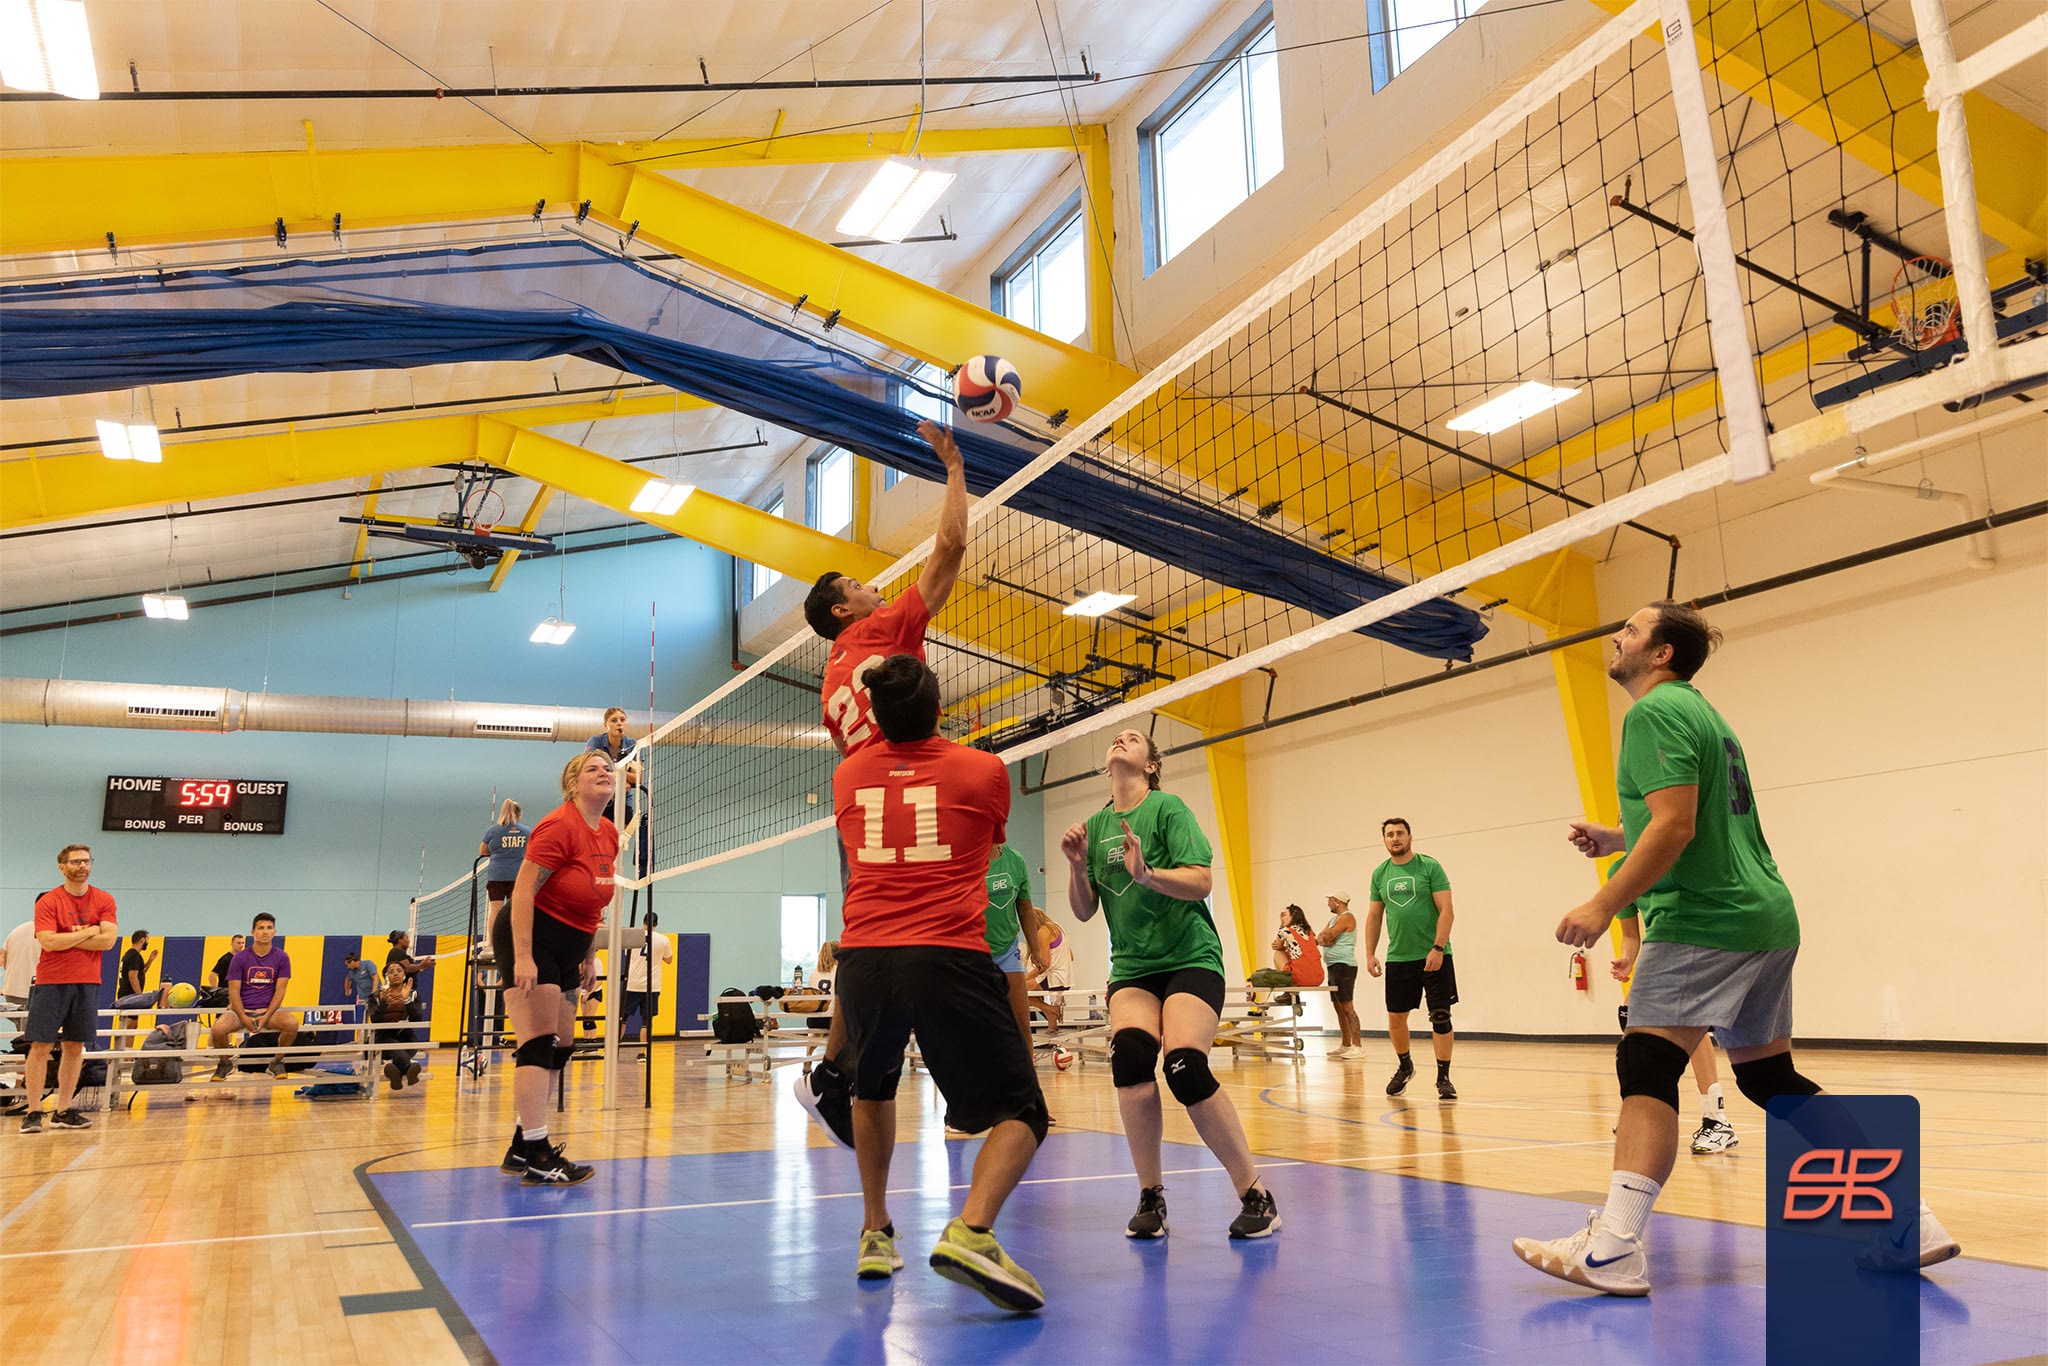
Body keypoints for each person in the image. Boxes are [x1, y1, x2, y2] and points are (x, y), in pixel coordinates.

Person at [1513, 601, 1961, 1296]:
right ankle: (1910, 1220)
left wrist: (1603, 905)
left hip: (1704, 921)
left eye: (1631, 630)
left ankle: (1613, 1246)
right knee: (1768, 1079)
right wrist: (1618, 835)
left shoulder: (1651, 714)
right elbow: (1691, 819)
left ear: (1661, 653)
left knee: (1647, 1060)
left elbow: (1678, 827)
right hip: (1764, 916)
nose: (1617, 636)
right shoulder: (1704, 715)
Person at [831, 654, 1050, 1309]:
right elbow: (985, 848)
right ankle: (973, 1230)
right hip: (947, 953)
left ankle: (875, 1231)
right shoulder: (983, 771)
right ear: (938, 710)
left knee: (872, 1089)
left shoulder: (847, 776)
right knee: (1025, 1110)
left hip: (865, 957)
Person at [794, 416, 968, 1151]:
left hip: (861, 804)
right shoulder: (872, 636)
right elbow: (951, 549)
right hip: (906, 796)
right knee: (938, 929)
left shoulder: (831, 671)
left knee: (870, 941)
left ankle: (838, 1069)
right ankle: (962, 1073)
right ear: (845, 611)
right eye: (861, 586)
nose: (874, 588)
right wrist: (955, 466)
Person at [1062, 728, 1280, 1241]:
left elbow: (1202, 880)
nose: (1120, 740)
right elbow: (1084, 909)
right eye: (1116, 738)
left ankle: (1255, 1194)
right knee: (1132, 1058)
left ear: (1150, 765)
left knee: (1184, 1067)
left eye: (1133, 739)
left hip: (1190, 958)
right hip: (1134, 968)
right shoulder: (1094, 826)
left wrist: (1148, 874)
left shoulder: (1168, 809)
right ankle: (1150, 1197)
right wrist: (1076, 867)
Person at [492, 750, 618, 1187]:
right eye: (593, 769)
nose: (605, 772)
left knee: (563, 1043)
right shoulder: (559, 825)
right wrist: (524, 956)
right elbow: (524, 891)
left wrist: (588, 956)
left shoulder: (609, 833)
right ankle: (539, 1154)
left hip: (570, 944)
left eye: (608, 768)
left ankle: (520, 1144)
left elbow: (594, 899)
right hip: (532, 936)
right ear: (573, 784)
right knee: (538, 1041)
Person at [1614, 898, 1736, 1153]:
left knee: (1688, 1019)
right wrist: (1627, 958)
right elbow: (1630, 935)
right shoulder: (1619, 872)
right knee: (1631, 1013)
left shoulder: (1667, 858)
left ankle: (1716, 1118)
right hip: (1658, 952)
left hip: (1697, 945)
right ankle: (1643, 1103)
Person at [19, 844, 117, 1132]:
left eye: (86, 861)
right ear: (62, 867)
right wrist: (90, 931)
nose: (82, 866)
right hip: (52, 982)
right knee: (41, 1046)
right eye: (75, 862)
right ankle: (34, 1111)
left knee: (75, 1047)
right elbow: (48, 941)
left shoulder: (103, 899)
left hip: (88, 982)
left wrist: (68, 937)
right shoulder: (49, 901)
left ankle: (63, 1110)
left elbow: (108, 941)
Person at [1365, 818, 1459, 1100]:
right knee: (1396, 1018)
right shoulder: (1379, 874)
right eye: (1390, 834)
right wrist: (1370, 954)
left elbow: (1447, 911)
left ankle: (1444, 1078)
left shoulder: (1430, 867)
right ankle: (1405, 1067)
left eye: (1400, 833)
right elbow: (1373, 916)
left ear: (1410, 837)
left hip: (1434, 956)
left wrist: (1438, 948)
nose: (1395, 838)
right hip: (1399, 958)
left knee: (1440, 1016)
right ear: (1384, 840)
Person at [210, 912, 298, 1079]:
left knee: (292, 1024)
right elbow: (233, 991)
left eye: (269, 928)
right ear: (253, 932)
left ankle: (277, 1062)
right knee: (218, 1029)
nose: (265, 932)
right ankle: (225, 1063)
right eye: (261, 928)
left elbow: (280, 991)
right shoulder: (240, 958)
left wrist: (266, 1016)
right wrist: (243, 1017)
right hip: (241, 1010)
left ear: (275, 931)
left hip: (268, 1011)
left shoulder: (282, 957)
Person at [985, 843, 1054, 1049]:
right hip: (974, 951)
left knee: (1022, 1022)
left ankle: (1027, 1077)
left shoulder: (1015, 860)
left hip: (1007, 950)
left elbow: (1024, 907)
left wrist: (1035, 948)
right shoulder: (966, 858)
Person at [1318, 894, 1363, 1059]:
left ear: (1337, 902)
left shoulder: (1347, 917)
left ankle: (1358, 1046)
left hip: (1344, 966)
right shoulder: (1332, 921)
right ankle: (1345, 1044)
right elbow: (1320, 938)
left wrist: (1327, 938)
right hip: (1332, 966)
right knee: (1338, 1007)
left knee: (1347, 1007)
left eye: (1330, 900)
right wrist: (1325, 938)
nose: (1328, 903)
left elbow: (1327, 937)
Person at [623, 910, 672, 1059]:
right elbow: (669, 960)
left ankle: (611, 1050)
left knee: (622, 1018)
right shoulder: (663, 940)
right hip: (652, 986)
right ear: (656, 924)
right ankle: (642, 1054)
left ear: (643, 922)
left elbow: (627, 955)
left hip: (632, 983)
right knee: (646, 1021)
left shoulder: (633, 938)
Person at [1248, 905, 1323, 994]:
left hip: (1301, 978)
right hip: (1318, 978)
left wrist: (1281, 926)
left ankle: (1287, 992)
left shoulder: (1286, 930)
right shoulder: (1309, 931)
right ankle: (1289, 992)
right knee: (1289, 953)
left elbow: (1277, 946)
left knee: (1278, 953)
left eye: (1285, 915)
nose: (1283, 918)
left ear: (1293, 916)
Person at [480, 799, 529, 925]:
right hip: (517, 876)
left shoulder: (492, 831)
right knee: (515, 911)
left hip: (497, 875)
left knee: (495, 910)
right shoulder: (527, 831)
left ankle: (491, 943)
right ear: (518, 814)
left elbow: (483, 851)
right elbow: (533, 851)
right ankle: (513, 942)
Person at [373, 961, 421, 1090]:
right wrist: (383, 1003)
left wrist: (406, 1000)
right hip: (383, 1038)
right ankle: (409, 1067)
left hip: (406, 1036)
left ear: (404, 975)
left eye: (399, 971)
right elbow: (374, 1020)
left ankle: (396, 1072)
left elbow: (418, 1019)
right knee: (394, 1045)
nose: (395, 974)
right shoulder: (376, 996)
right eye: (391, 971)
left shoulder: (413, 994)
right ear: (386, 976)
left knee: (409, 1045)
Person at [1028, 917, 1073, 1032]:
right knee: (1027, 992)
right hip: (1065, 978)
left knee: (1016, 991)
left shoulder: (1043, 931)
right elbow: (1071, 956)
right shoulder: (1058, 930)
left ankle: (1050, 1009)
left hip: (1054, 978)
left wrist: (1026, 978)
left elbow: (1045, 964)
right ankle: (1052, 1024)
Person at [113, 928, 158, 1041]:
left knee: (132, 1025)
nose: (148, 943)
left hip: (128, 994)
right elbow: (132, 976)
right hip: (129, 994)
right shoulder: (134, 956)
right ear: (142, 940)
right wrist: (139, 995)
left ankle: (127, 1054)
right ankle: (120, 1053)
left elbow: (140, 972)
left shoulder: (130, 954)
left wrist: (150, 961)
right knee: (127, 1024)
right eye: (147, 940)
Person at [342, 951, 381, 1041]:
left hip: (375, 996)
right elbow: (347, 980)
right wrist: (347, 990)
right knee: (360, 1021)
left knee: (377, 1018)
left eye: (347, 965)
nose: (347, 967)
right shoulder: (352, 972)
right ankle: (361, 1042)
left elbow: (375, 977)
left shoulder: (368, 964)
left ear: (352, 961)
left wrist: (374, 992)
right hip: (362, 998)